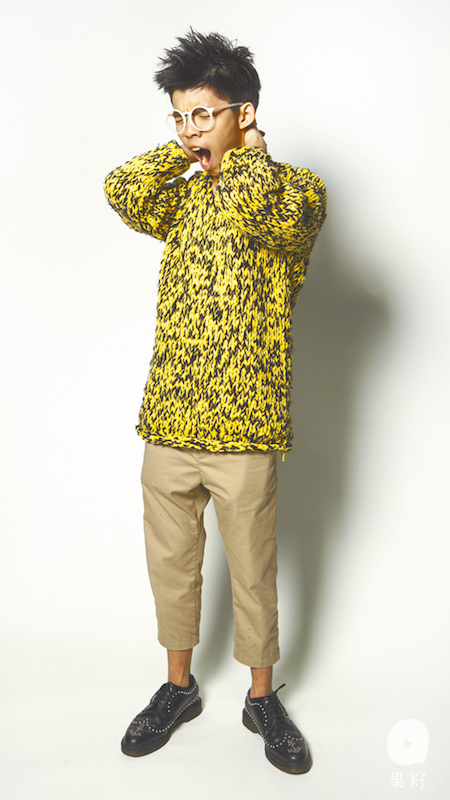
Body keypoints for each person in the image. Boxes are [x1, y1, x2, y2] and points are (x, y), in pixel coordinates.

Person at [104, 29, 327, 775]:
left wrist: (249, 155)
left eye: (202, 114)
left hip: (247, 426)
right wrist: (185, 151)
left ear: (245, 112)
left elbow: (272, 218)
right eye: (179, 116)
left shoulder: (295, 192)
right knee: (171, 565)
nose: (188, 130)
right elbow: (122, 189)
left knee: (252, 572)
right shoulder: (185, 200)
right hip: (169, 419)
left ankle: (262, 699)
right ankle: (178, 687)